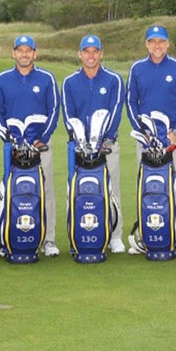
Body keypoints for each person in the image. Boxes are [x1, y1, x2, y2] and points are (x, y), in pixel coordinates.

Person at [126, 25, 176, 252]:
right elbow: (131, 102)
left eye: (161, 41)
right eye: (152, 41)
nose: (157, 46)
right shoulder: (137, 68)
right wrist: (142, 131)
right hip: (146, 140)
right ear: (146, 44)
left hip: (174, 137)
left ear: (168, 44)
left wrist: (175, 129)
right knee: (147, 186)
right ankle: (148, 233)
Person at [0, 35, 61, 257]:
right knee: (10, 191)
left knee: (45, 190)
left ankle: (48, 239)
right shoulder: (2, 79)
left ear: (35, 53)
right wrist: (7, 139)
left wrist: (44, 136)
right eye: (20, 50)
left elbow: (54, 110)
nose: (24, 54)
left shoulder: (46, 78)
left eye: (28, 50)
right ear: (13, 53)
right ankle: (8, 238)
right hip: (11, 147)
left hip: (40, 145)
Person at [61, 35, 126, 253]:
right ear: (79, 54)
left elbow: (116, 111)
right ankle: (79, 233)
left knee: (111, 189)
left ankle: (115, 235)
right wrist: (80, 139)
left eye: (95, 51)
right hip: (78, 148)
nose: (91, 55)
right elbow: (68, 114)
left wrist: (103, 138)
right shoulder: (70, 82)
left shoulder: (113, 80)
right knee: (78, 191)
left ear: (101, 54)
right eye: (86, 51)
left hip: (107, 146)